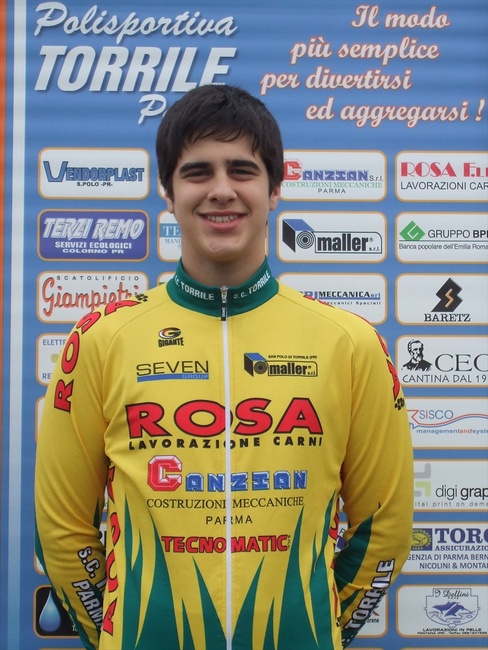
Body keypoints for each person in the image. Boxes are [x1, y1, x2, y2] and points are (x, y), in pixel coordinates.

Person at [35, 84, 413, 650]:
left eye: (242, 170)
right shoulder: (100, 339)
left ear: (275, 188)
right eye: (197, 172)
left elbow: (384, 528)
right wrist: (113, 635)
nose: (221, 190)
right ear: (167, 192)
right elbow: (61, 531)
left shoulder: (350, 343)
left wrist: (321, 630)